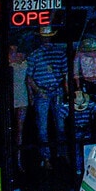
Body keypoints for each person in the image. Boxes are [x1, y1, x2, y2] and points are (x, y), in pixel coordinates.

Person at [23, 31, 71, 175]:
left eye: (47, 36)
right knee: (42, 127)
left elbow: (65, 74)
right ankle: (46, 158)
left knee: (60, 125)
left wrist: (67, 93)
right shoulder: (35, 55)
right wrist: (37, 91)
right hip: (43, 91)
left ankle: (62, 153)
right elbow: (29, 78)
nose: (46, 39)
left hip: (57, 90)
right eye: (44, 37)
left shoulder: (59, 53)